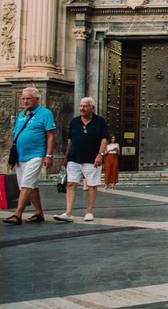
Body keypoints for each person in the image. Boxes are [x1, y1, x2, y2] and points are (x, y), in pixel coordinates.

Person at [3, 87, 56, 225]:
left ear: (37, 99)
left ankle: (17, 214)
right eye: (23, 98)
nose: (25, 101)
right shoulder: (21, 114)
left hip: (36, 154)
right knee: (29, 185)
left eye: (28, 98)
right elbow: (15, 136)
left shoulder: (45, 114)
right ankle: (39, 213)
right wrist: (12, 158)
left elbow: (50, 135)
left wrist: (49, 155)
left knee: (26, 184)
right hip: (20, 156)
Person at [54, 97, 109, 223]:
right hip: (74, 158)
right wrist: (66, 157)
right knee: (70, 183)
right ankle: (68, 213)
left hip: (92, 159)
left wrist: (100, 155)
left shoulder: (100, 121)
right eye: (80, 106)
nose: (81, 108)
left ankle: (89, 212)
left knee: (91, 185)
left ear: (92, 108)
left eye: (85, 106)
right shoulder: (74, 122)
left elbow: (104, 139)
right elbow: (70, 141)